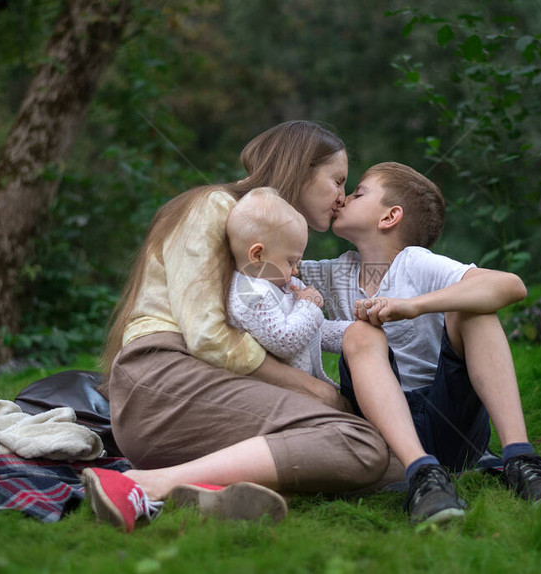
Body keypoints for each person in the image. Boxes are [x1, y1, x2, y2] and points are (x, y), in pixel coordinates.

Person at [80, 121, 391, 533]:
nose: (342, 197)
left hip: (203, 390)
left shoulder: (270, 246)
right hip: (163, 381)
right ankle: (144, 484)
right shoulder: (212, 205)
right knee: (361, 444)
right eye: (337, 181)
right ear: (300, 169)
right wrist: (316, 391)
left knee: (385, 464)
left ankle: (206, 489)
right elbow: (208, 337)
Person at [300, 162, 541, 523]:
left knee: (473, 310)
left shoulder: (414, 263)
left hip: (449, 418)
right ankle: (422, 475)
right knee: (359, 335)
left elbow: (510, 285)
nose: (344, 197)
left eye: (358, 192)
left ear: (389, 217)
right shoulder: (335, 272)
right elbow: (266, 260)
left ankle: (521, 458)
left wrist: (414, 306)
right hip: (381, 430)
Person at [225, 187, 351, 387]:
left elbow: (314, 330)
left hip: (298, 389)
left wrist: (351, 332)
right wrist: (308, 306)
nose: (294, 271)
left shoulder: (282, 285)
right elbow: (285, 341)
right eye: (290, 262)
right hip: (275, 393)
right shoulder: (249, 295)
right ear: (257, 256)